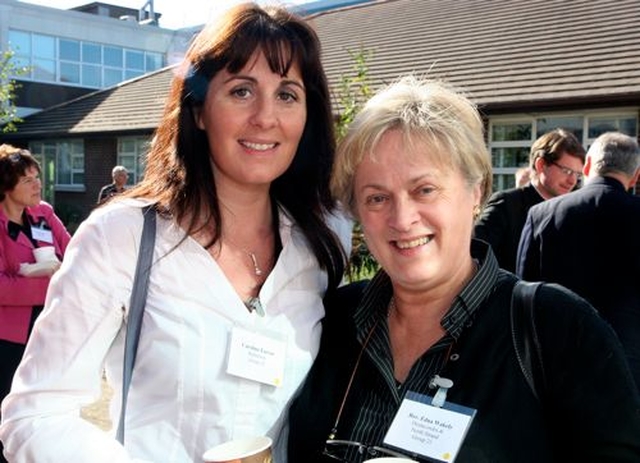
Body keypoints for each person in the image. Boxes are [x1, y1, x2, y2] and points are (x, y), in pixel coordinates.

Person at [0, 3, 350, 462]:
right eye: (242, 91)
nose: (266, 117)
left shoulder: (323, 239)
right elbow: (35, 415)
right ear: (200, 110)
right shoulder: (121, 237)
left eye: (287, 94)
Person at [287, 77, 640, 463]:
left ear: (476, 192)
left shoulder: (556, 330)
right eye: (377, 197)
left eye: (424, 190)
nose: (402, 218)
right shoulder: (335, 318)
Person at [517, 131, 640, 389]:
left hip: (556, 364)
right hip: (629, 368)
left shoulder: (541, 214)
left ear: (586, 166)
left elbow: (522, 294)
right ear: (636, 176)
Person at [0, 144, 71, 463]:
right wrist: (51, 285)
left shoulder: (44, 213)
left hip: (47, 330)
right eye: (26, 179)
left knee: (43, 406)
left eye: (36, 176)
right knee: (7, 405)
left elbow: (76, 256)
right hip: (7, 339)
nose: (36, 184)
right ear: (5, 186)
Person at [473, 128, 585, 272]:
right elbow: (475, 254)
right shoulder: (507, 204)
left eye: (577, 175)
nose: (572, 181)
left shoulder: (571, 211)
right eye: (566, 171)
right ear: (541, 165)